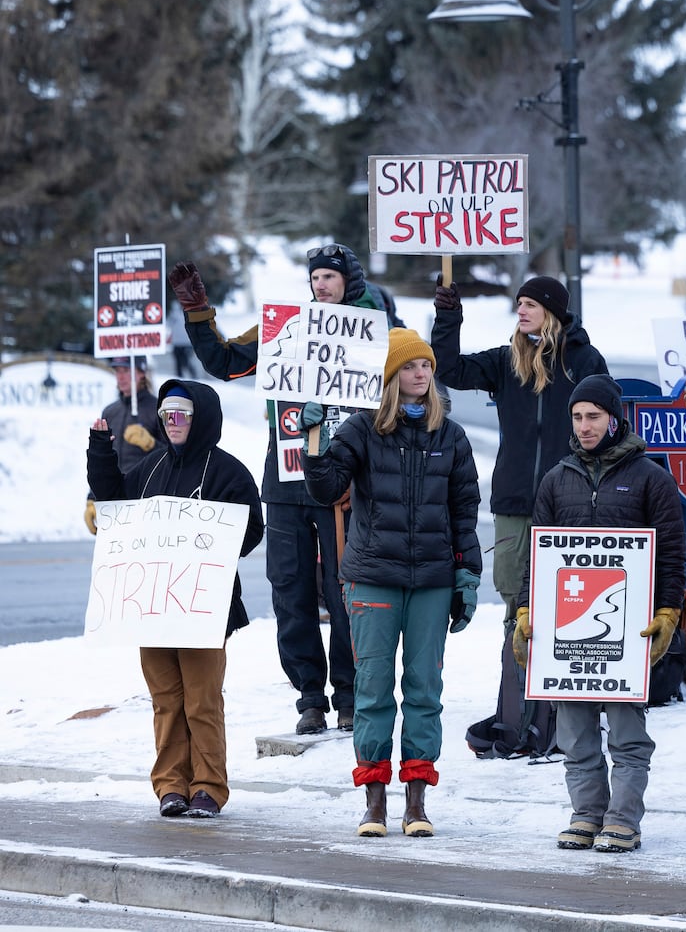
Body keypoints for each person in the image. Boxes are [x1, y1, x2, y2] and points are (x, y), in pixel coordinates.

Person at [168, 243, 401, 735]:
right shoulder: (286, 329)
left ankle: (351, 694)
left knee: (346, 594)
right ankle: (310, 696)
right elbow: (226, 361)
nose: (322, 286)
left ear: (350, 283)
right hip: (286, 479)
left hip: (345, 484)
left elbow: (415, 379)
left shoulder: (375, 332)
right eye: (315, 278)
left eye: (331, 278)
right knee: (289, 590)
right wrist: (196, 313)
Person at [303, 328, 482, 838]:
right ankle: (375, 803)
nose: (420, 374)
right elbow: (327, 488)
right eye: (408, 367)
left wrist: (467, 574)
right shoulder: (361, 430)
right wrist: (314, 443)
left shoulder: (451, 436)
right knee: (374, 691)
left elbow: (464, 511)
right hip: (372, 579)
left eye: (425, 365)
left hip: (430, 580)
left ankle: (417, 803)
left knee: (425, 690)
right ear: (388, 376)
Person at [430, 274, 608, 757]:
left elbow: (609, 424)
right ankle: (518, 712)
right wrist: (448, 318)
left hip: (569, 503)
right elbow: (447, 368)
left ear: (552, 310)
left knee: (565, 607)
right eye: (519, 304)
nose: (522, 312)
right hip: (512, 504)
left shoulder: (583, 361)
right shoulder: (508, 360)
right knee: (516, 607)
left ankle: (560, 714)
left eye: (530, 304)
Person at [509, 374, 686, 853]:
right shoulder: (556, 479)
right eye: (577, 417)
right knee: (574, 734)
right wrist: (526, 610)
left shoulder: (651, 477)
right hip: (567, 632)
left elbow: (671, 553)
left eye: (593, 416)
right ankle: (587, 813)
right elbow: (537, 555)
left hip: (627, 634)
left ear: (614, 418)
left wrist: (669, 611)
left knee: (628, 735)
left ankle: (623, 818)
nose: (584, 426)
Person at [85, 380, 264, 818]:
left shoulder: (228, 472)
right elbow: (115, 506)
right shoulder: (150, 468)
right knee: (166, 700)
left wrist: (213, 543)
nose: (173, 422)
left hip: (204, 609)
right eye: (166, 416)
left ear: (199, 417)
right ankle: (171, 786)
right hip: (154, 608)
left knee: (202, 701)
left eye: (181, 414)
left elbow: (250, 532)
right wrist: (101, 452)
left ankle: (208, 787)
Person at [84, 355, 165, 535]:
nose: (120, 377)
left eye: (126, 371)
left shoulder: (158, 408)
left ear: (142, 373)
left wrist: (151, 444)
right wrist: (93, 497)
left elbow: (175, 458)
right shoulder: (110, 411)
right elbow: (103, 460)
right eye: (117, 371)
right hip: (116, 502)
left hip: (149, 503)